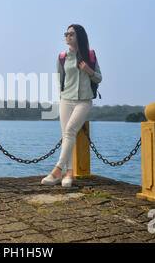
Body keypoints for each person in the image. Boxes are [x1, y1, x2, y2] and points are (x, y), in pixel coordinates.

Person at [41, 24, 102, 187]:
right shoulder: (62, 57)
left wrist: (88, 70)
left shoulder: (90, 55)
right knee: (66, 135)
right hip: (66, 100)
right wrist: (61, 97)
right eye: (66, 34)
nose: (67, 36)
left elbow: (99, 78)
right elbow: (60, 79)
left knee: (69, 131)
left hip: (84, 101)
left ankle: (56, 171)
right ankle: (69, 174)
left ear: (79, 36)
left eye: (71, 34)